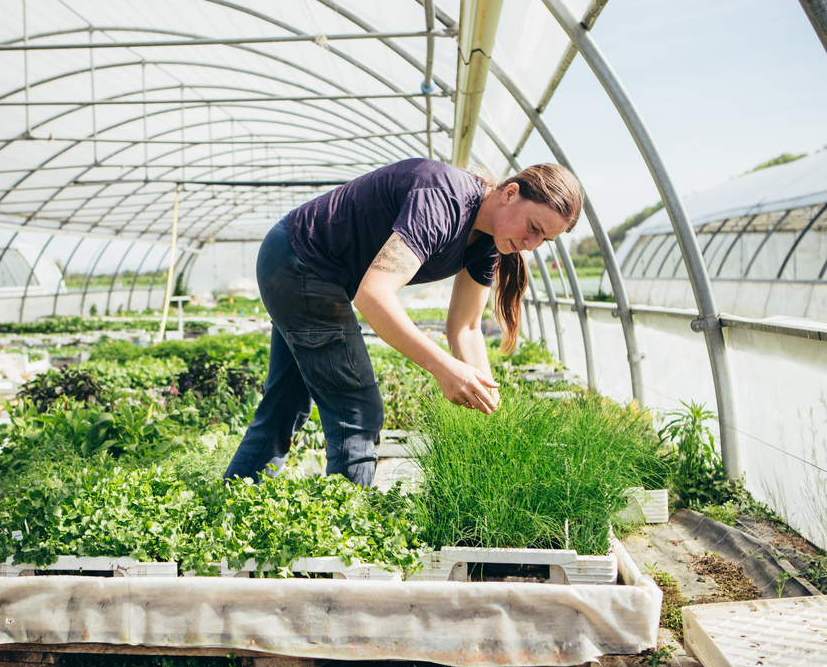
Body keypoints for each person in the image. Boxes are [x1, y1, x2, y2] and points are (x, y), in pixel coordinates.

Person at [223, 158, 583, 487]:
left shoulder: (491, 241)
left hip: (298, 261)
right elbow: (373, 295)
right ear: (510, 193)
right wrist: (443, 368)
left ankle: (232, 505)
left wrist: (488, 401)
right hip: (299, 262)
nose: (531, 244)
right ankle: (344, 535)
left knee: (286, 400)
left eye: (543, 239)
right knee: (357, 412)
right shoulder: (442, 200)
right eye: (533, 227)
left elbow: (466, 327)